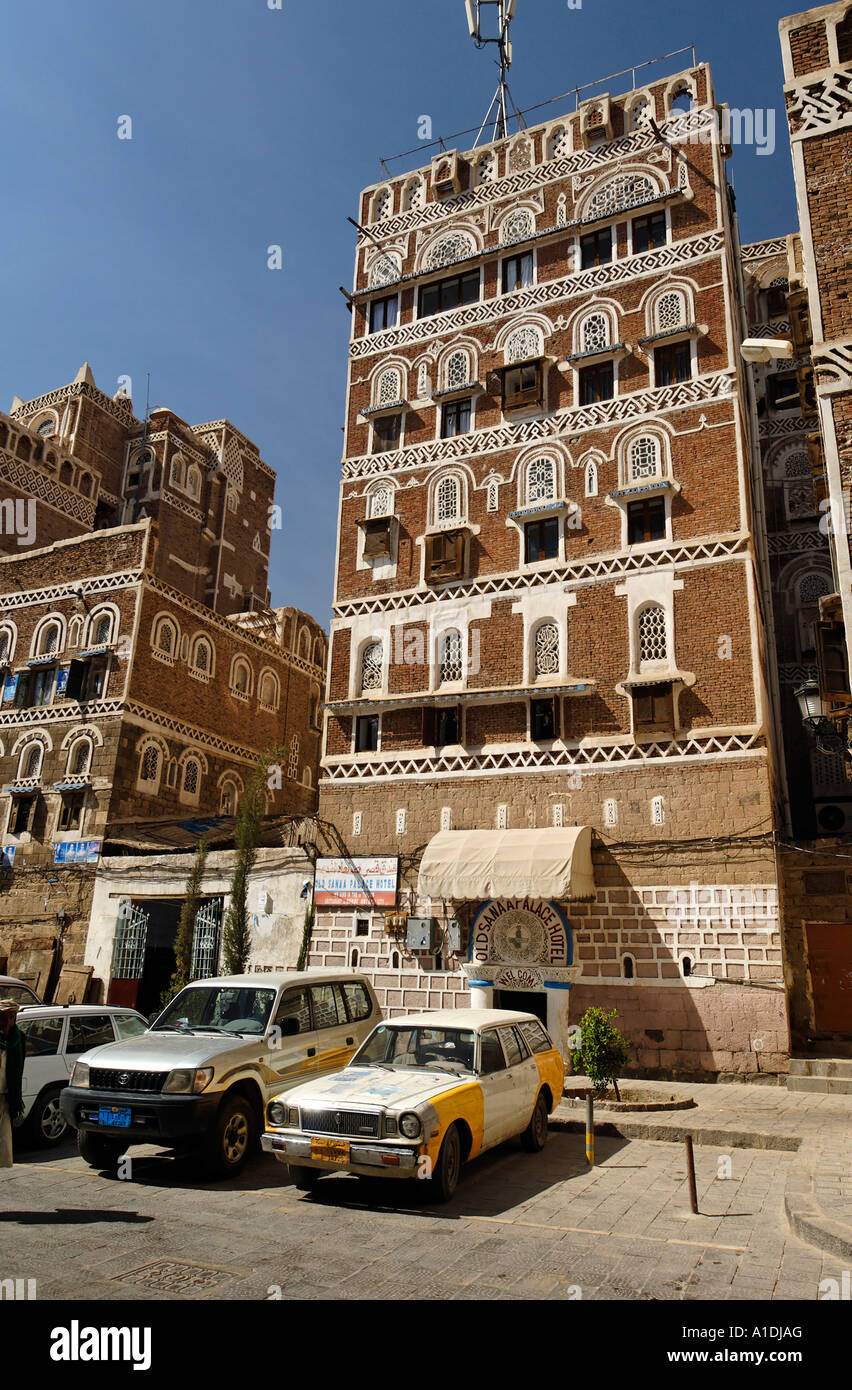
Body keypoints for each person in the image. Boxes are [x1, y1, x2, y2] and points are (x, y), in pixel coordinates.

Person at [0, 999, 26, 1168]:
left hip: (5, 1095)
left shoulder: (18, 1038)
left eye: (12, 1016)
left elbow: (19, 1067)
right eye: (6, 1016)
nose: (10, 1021)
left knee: (3, 1139)